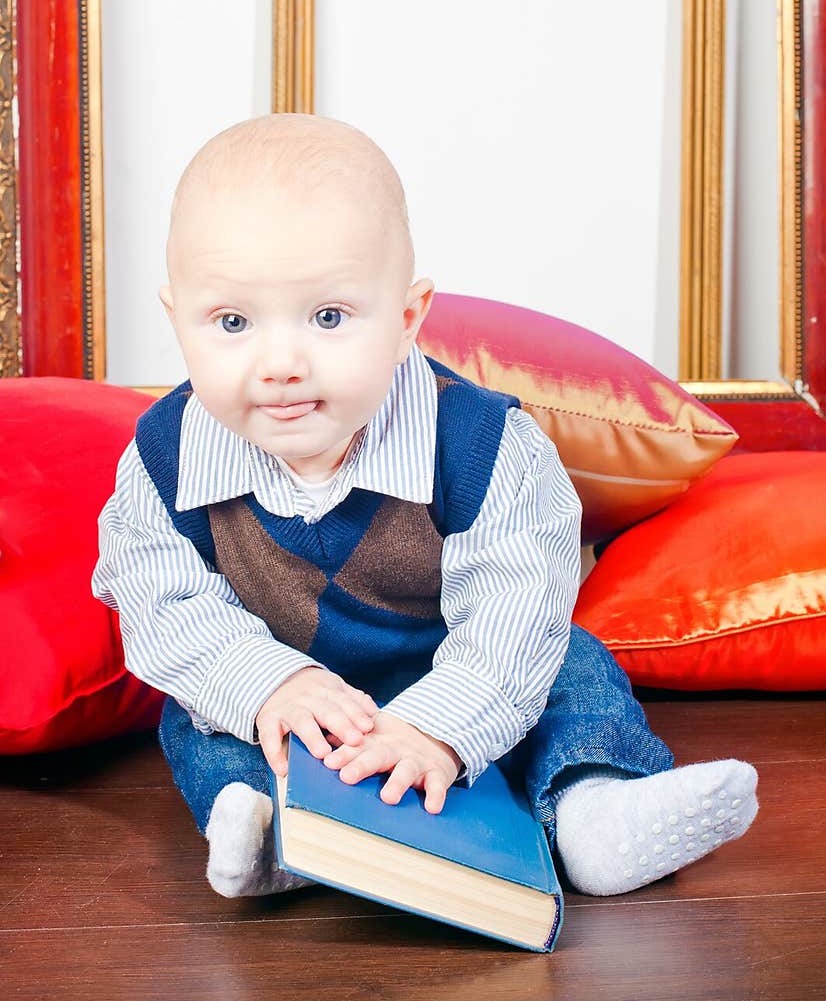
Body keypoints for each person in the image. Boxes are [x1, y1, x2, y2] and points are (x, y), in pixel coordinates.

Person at [92, 112, 758, 902]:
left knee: (569, 664)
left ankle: (593, 808)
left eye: (329, 317)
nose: (279, 364)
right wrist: (265, 684)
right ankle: (275, 833)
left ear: (408, 319)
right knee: (201, 714)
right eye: (232, 322)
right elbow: (159, 601)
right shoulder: (163, 456)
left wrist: (438, 724)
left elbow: (517, 605)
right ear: (179, 320)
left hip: (464, 665)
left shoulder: (482, 446)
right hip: (283, 684)